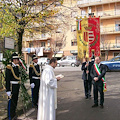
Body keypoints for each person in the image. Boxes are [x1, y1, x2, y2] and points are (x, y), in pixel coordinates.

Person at [5, 52, 20, 120]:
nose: (18, 61)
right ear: (14, 60)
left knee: (15, 101)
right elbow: (7, 79)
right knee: (11, 102)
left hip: (16, 86)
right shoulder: (9, 67)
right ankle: (10, 116)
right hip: (12, 86)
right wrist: (8, 89)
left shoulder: (17, 67)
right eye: (17, 59)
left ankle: (14, 115)